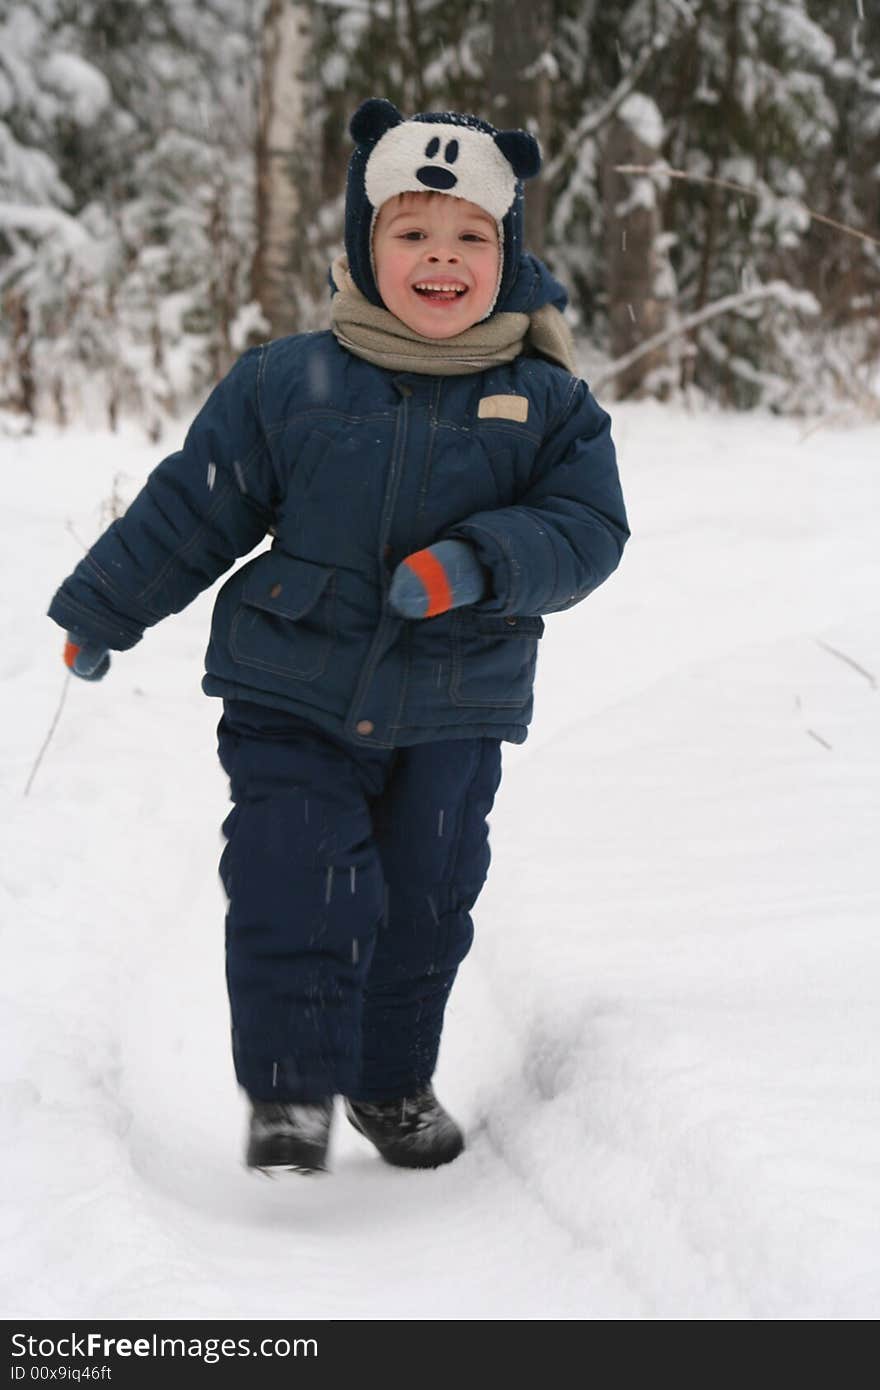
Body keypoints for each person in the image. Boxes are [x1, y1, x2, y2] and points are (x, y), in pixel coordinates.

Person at [48, 97, 629, 1176]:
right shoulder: (287, 384)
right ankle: (289, 1088)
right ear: (367, 245)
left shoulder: (547, 403)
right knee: (293, 870)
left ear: (509, 254)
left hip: (455, 702)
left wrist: (479, 562)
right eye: (412, 234)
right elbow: (197, 505)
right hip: (293, 688)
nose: (440, 259)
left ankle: (388, 1078)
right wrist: (103, 607)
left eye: (469, 237)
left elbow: (589, 530)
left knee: (425, 896)